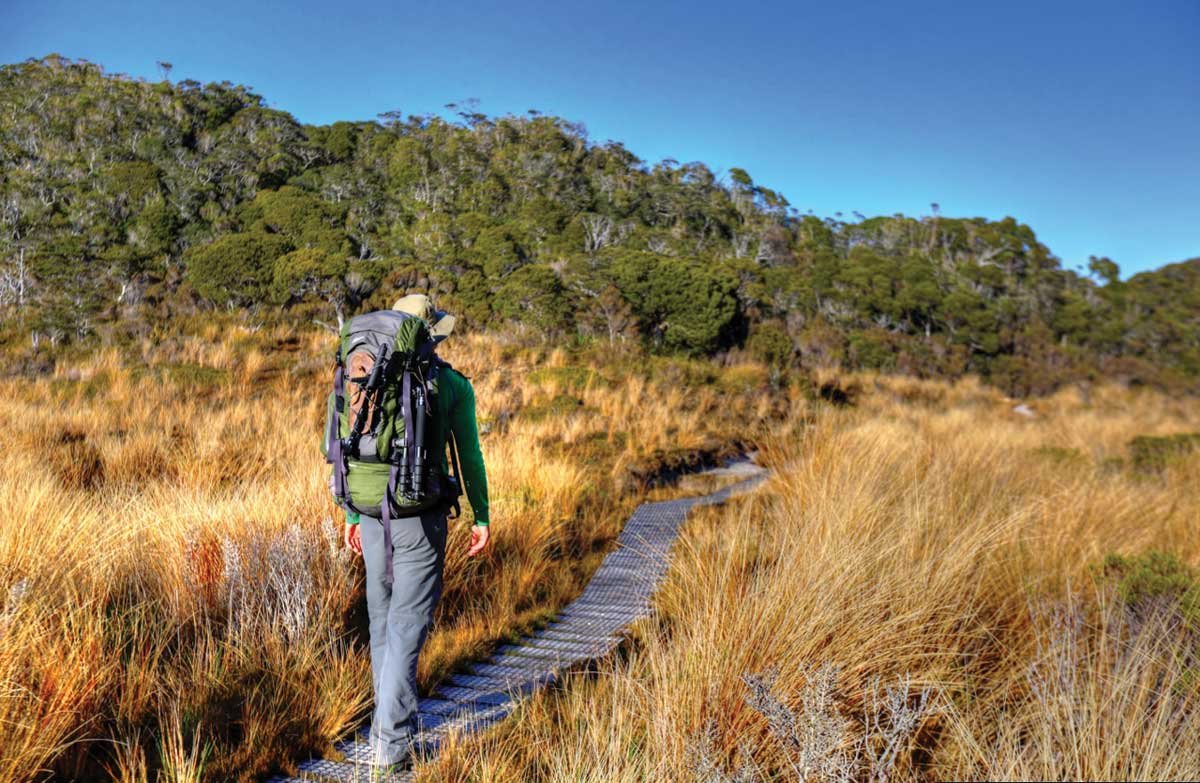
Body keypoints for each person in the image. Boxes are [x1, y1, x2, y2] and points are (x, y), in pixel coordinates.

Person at [341, 293, 491, 771]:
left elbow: (346, 447)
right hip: (419, 521)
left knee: (383, 624)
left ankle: (384, 728)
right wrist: (482, 516)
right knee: (407, 628)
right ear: (431, 335)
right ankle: (393, 747)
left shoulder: (360, 372)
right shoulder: (450, 386)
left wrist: (349, 516)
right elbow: (469, 456)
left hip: (367, 515)